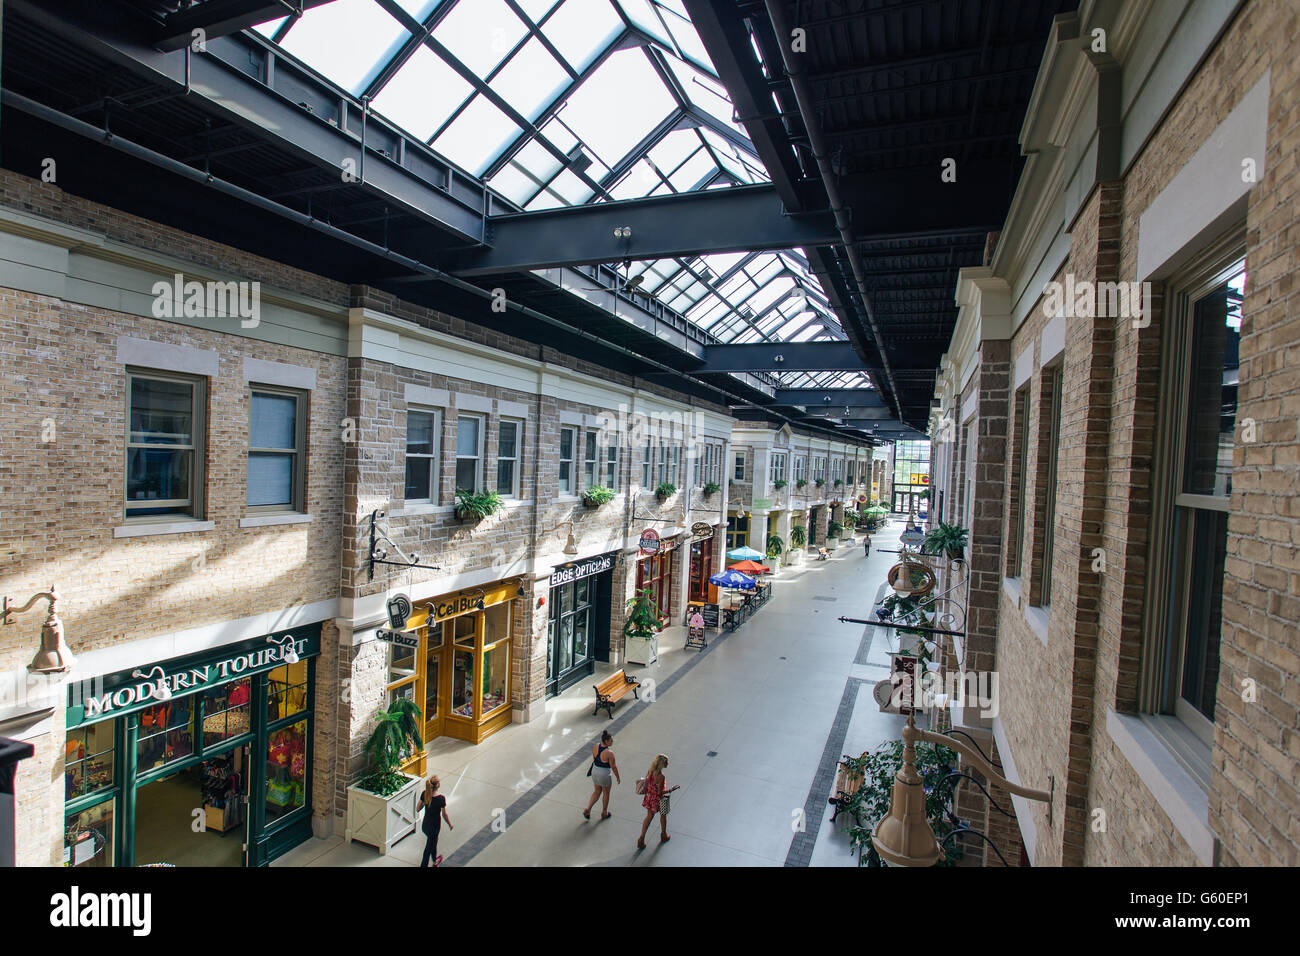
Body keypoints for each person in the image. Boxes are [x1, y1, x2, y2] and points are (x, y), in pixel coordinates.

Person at [636, 753, 679, 849]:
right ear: (662, 764)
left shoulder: (650, 771)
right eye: (666, 762)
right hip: (658, 799)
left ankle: (641, 839)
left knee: (649, 817)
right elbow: (660, 792)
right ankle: (663, 835)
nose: (668, 763)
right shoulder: (661, 776)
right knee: (663, 815)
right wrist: (671, 790)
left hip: (649, 797)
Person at [583, 730, 620, 820]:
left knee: (596, 791)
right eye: (611, 740)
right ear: (606, 741)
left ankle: (588, 809)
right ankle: (604, 812)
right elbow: (613, 767)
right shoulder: (609, 753)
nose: (612, 742)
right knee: (606, 793)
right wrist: (618, 777)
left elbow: (594, 757)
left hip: (595, 771)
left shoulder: (596, 746)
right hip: (604, 774)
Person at [417, 775, 452, 867]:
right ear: (437, 785)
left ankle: (434, 859)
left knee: (433, 841)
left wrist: (425, 802)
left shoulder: (425, 794)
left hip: (425, 825)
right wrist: (450, 824)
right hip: (434, 827)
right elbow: (444, 814)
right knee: (428, 848)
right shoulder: (441, 799)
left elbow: (417, 809)